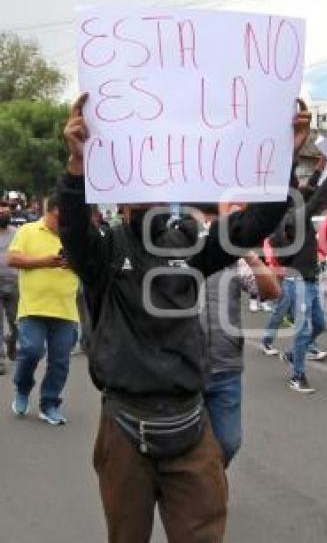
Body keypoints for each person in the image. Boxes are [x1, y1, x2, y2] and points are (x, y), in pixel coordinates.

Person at [58, 93, 307, 542]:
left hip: (191, 424)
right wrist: (76, 169)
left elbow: (256, 224)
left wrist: (283, 156)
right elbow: (74, 233)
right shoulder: (104, 250)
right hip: (124, 425)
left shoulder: (192, 245)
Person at [195, 202, 282, 467]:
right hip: (184, 368)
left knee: (228, 441)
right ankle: (197, 491)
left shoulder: (233, 256)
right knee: (184, 444)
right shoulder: (173, 251)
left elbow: (271, 291)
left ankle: (209, 481)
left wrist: (249, 255)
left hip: (225, 366)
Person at [263, 151, 327, 393]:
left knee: (319, 324)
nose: (301, 188)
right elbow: (318, 194)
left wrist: (320, 165)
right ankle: (297, 376)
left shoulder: (293, 209)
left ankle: (292, 355)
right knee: (304, 329)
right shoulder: (293, 216)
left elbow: (310, 187)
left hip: (310, 279)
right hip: (296, 281)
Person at [7, 195, 79, 425]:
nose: (62, 222)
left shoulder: (76, 236)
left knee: (60, 361)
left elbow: (91, 265)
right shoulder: (28, 231)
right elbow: (13, 259)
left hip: (65, 308)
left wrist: (76, 262)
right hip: (33, 306)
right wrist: (45, 261)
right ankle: (22, 387)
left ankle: (49, 404)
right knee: (31, 350)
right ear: (48, 212)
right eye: (58, 217)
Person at [0, 200, 18, 375]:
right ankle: (0, 359)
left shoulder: (17, 233)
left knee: (15, 322)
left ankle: (12, 343)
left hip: (14, 283)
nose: (4, 216)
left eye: (6, 213)